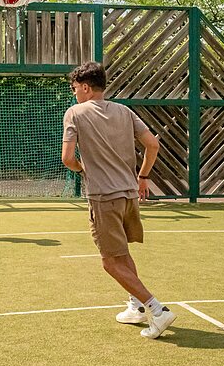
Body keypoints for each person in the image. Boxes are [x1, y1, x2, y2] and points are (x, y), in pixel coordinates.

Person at [61, 61, 176, 339]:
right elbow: (153, 144)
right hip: (129, 195)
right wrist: (143, 176)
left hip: (103, 197)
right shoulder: (125, 111)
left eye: (75, 88)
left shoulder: (75, 113)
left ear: (86, 87)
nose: (74, 93)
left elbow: (67, 159)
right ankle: (136, 307)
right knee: (122, 254)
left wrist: (80, 168)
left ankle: (157, 310)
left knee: (110, 262)